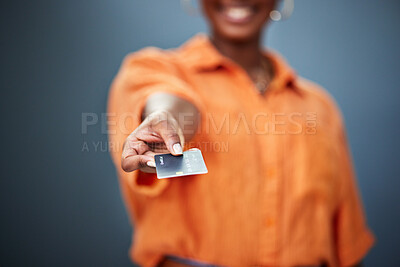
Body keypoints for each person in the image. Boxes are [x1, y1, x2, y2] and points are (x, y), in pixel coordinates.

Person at [108, 1, 374, 266]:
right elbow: (174, 103)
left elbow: (346, 243)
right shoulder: (150, 70)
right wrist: (166, 122)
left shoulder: (320, 108)